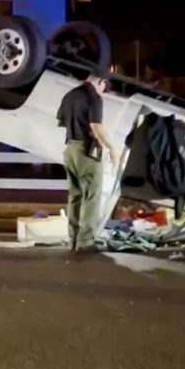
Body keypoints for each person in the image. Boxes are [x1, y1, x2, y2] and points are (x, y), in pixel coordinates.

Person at [56, 74, 120, 252]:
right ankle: (85, 242)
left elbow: (61, 121)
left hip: (69, 149)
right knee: (91, 196)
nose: (103, 91)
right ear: (101, 81)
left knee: (75, 195)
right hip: (86, 151)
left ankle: (73, 239)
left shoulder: (69, 95)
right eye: (104, 87)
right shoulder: (94, 97)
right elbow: (96, 126)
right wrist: (111, 148)